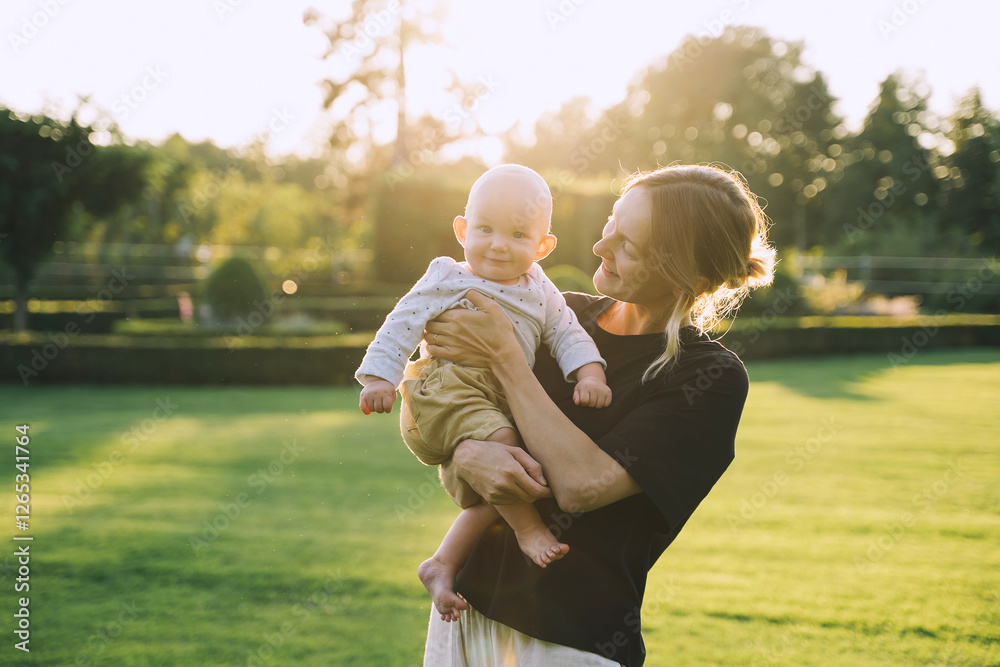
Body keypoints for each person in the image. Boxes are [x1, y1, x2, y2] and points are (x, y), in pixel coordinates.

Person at [419, 164, 776, 666]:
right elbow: (441, 396)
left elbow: (582, 486)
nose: (600, 247)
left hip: (568, 643)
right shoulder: (555, 314)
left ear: (691, 277)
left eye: (629, 245)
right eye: (612, 222)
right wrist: (466, 450)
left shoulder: (707, 378)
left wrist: (505, 359)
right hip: (463, 612)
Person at [355, 165, 613, 609]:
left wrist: (589, 372)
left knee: (506, 477)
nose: (498, 244)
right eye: (485, 229)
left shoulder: (541, 287)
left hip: (497, 398)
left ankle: (441, 562)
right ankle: (530, 529)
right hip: (447, 389)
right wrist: (381, 375)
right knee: (507, 451)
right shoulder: (447, 276)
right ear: (462, 229)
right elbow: (403, 323)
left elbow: (567, 331)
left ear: (543, 245)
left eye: (517, 234)